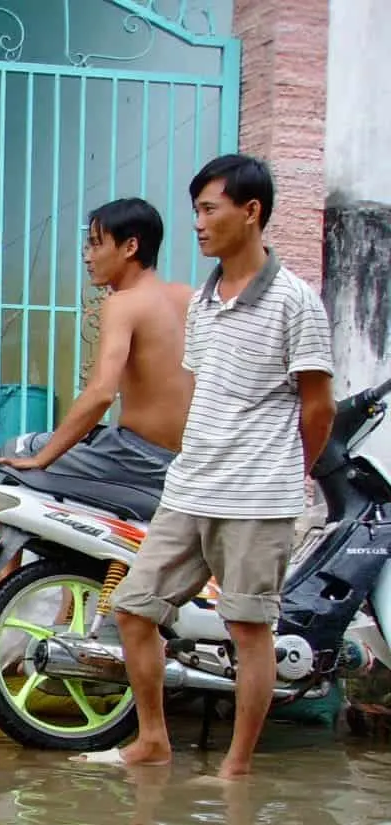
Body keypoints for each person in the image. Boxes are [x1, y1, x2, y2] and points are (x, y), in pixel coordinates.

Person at [99, 154, 336, 780]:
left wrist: (292, 472)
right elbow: (208, 394)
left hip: (258, 497)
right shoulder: (203, 300)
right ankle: (153, 739)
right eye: (196, 212)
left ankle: (236, 766)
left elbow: (319, 406)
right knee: (133, 607)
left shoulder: (295, 302)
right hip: (192, 485)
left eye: (210, 210)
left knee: (248, 628)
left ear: (250, 212)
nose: (198, 225)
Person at [0, 197, 192, 495]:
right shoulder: (187, 297)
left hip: (135, 456)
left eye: (96, 244)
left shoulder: (122, 304)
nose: (87, 256)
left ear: (130, 247)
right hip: (185, 458)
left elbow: (101, 393)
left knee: (12, 458)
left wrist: (42, 458)